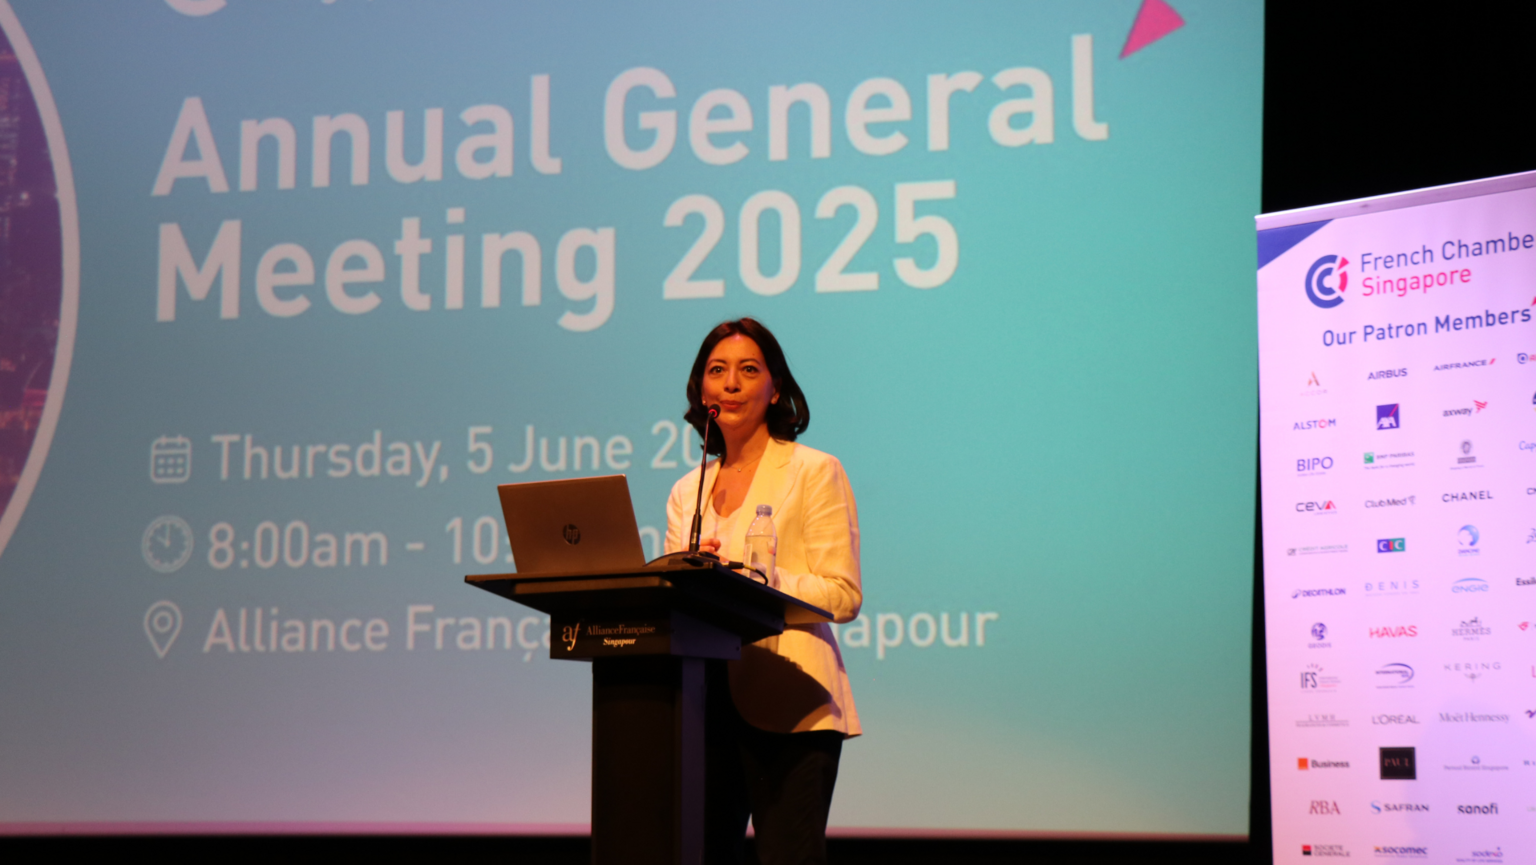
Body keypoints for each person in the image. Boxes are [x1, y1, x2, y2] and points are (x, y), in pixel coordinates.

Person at [663, 318, 862, 865]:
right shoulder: (687, 490)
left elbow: (842, 594)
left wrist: (756, 580)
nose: (730, 383)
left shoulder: (813, 471)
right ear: (701, 389)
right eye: (717, 370)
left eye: (748, 370)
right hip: (702, 707)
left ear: (775, 389)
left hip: (791, 705)